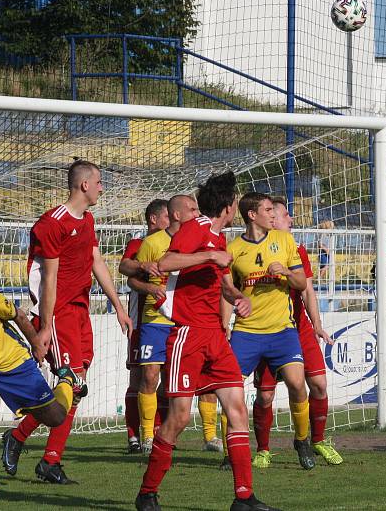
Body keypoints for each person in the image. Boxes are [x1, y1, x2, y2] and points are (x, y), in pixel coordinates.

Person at [136, 172, 279, 511]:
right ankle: (147, 492)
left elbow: (224, 284)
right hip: (187, 335)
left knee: (237, 409)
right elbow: (167, 262)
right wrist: (208, 257)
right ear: (229, 207)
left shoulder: (219, 237)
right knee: (179, 418)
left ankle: (244, 498)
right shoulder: (196, 228)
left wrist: (237, 296)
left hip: (215, 335)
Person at [2, 160, 132, 483]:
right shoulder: (52, 224)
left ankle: (43, 455)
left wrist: (118, 306)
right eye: (99, 182)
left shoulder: (87, 221)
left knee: (74, 388)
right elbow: (48, 278)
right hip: (57, 313)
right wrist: (44, 326)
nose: (102, 188)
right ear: (84, 185)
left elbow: (96, 261)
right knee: (71, 383)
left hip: (79, 311)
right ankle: (28, 445)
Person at [0, 269, 83, 502]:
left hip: (14, 364)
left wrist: (37, 344)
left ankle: (67, 380)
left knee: (56, 417)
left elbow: (19, 316)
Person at [224, 192, 316, 470]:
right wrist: (229, 316)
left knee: (298, 384)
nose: (273, 214)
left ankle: (302, 440)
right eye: (268, 210)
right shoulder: (233, 249)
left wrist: (286, 273)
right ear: (252, 215)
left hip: (282, 330)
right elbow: (226, 291)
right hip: (246, 332)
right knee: (230, 391)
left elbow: (302, 284)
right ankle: (232, 452)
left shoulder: (285, 240)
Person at [249, 197, 342, 468]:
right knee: (265, 395)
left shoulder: (296, 249)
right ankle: (263, 449)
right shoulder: (254, 250)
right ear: (272, 220)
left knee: (319, 385)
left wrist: (317, 326)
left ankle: (317, 441)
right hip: (267, 328)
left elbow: (307, 290)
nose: (292, 219)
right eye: (286, 215)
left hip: (298, 328)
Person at [131, 195, 200, 454]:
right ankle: (147, 436)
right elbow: (132, 280)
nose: (196, 213)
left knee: (174, 382)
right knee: (149, 376)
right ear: (176, 214)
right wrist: (149, 286)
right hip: (155, 319)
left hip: (183, 320)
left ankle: (171, 433)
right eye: (191, 209)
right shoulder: (152, 242)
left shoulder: (197, 243)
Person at [119, 198, 170, 454]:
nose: (171, 222)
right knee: (140, 376)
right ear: (154, 219)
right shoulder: (139, 245)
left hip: (169, 318)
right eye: (167, 217)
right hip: (142, 319)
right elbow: (124, 267)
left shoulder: (178, 243)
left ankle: (157, 431)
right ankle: (134, 436)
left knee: (165, 379)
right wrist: (142, 265)